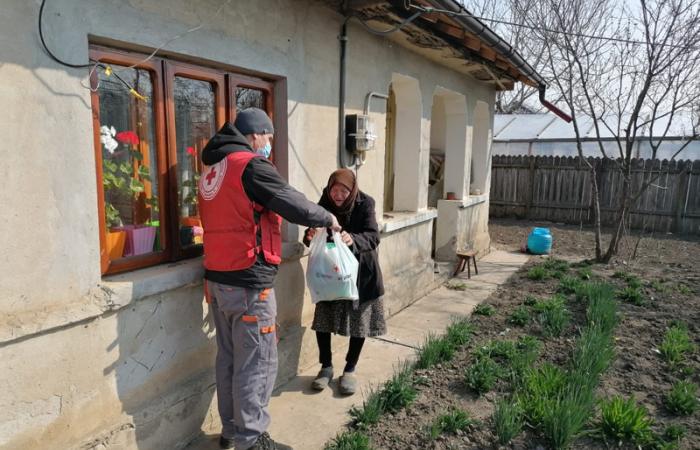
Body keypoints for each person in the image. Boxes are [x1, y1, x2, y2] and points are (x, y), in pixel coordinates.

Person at [198, 108, 341, 450]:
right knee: (257, 363)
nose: (269, 144)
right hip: (249, 283)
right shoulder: (250, 166)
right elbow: (293, 203)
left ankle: (232, 432)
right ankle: (252, 440)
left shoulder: (212, 171)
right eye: (268, 136)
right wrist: (327, 217)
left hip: (218, 282)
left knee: (229, 359)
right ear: (254, 135)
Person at [303, 169, 386, 395]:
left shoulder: (365, 203)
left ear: (352, 190)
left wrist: (354, 239)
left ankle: (350, 369)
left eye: (343, 191)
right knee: (323, 319)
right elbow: (312, 231)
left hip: (361, 274)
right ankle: (326, 367)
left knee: (359, 323)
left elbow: (373, 236)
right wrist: (310, 235)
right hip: (331, 273)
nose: (338, 195)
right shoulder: (324, 203)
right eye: (334, 190)